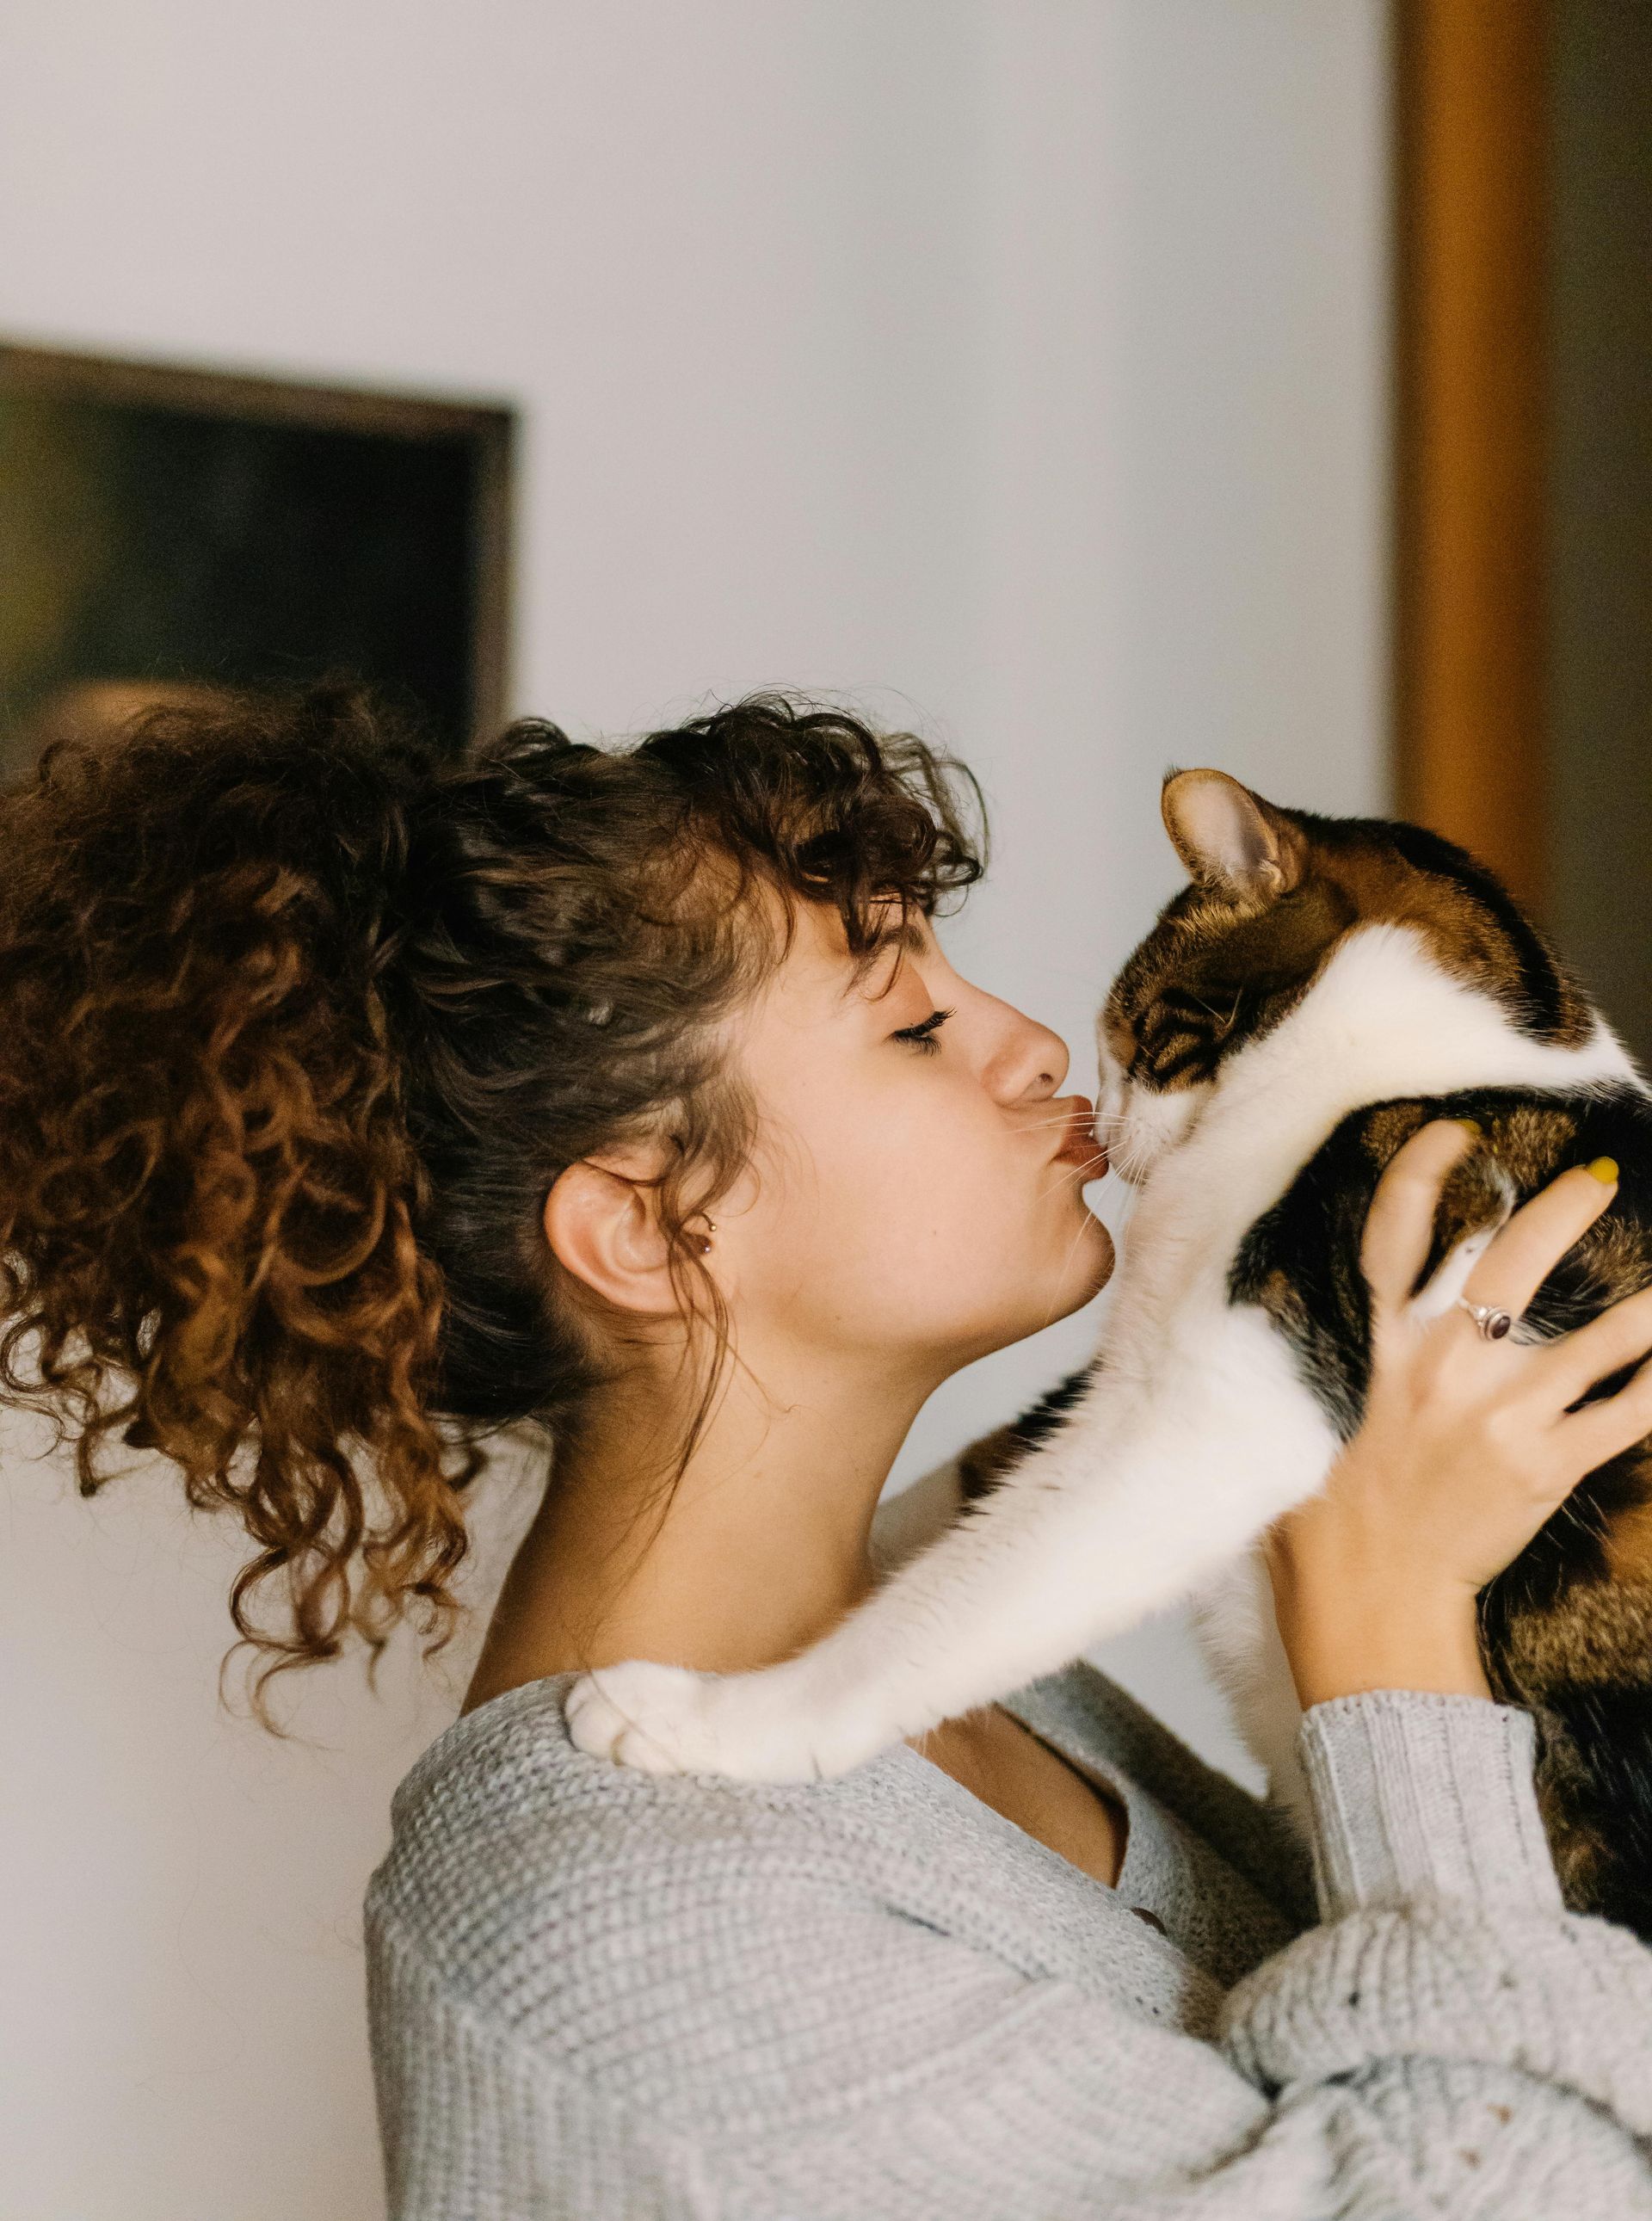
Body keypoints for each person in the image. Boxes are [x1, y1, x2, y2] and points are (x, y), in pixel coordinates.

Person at [6, 685, 1651, 2219]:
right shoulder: (610, 1933)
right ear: (648, 1231)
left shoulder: (966, 1677)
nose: (1028, 1044)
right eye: (911, 1026)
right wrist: (1395, 1658)